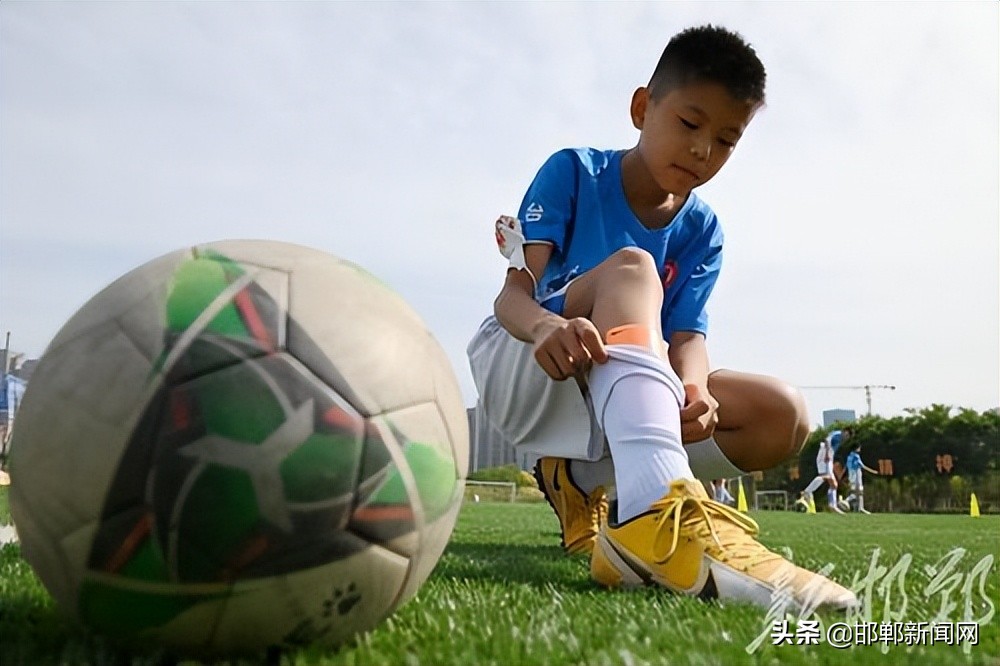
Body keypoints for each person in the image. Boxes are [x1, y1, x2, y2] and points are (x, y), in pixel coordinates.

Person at [468, 25, 856, 612]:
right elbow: (512, 297)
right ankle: (655, 510)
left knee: (783, 414)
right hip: (530, 361)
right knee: (633, 270)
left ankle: (581, 481)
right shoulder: (574, 171)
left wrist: (695, 388)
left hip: (619, 389)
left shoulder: (704, 231)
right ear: (642, 108)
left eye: (727, 139)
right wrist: (548, 327)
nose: (704, 151)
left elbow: (687, 339)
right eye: (690, 124)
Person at [802, 427, 850, 513]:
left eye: (848, 436)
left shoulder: (838, 436)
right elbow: (827, 440)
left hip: (827, 455)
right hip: (825, 454)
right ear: (843, 431)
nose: (846, 437)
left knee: (832, 483)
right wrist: (827, 454)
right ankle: (831, 504)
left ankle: (831, 504)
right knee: (829, 479)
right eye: (846, 434)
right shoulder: (837, 435)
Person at [843, 443, 878, 514]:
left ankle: (859, 508)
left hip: (851, 475)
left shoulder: (849, 456)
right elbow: (862, 466)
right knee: (859, 491)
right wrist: (873, 471)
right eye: (859, 448)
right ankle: (847, 501)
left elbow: (846, 467)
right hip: (856, 474)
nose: (860, 449)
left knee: (856, 492)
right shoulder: (856, 456)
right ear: (856, 448)